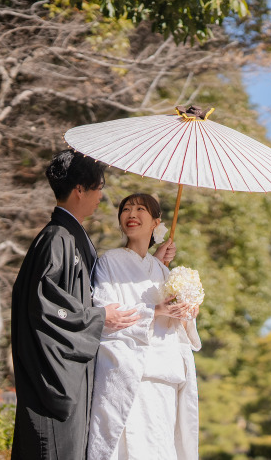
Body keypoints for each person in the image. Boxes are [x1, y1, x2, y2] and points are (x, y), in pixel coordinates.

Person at [11, 150, 142, 460]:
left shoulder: (70, 236)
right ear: (80, 189)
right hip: (54, 382)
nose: (101, 196)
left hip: (73, 375)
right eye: (98, 187)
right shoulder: (57, 238)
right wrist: (98, 317)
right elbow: (42, 308)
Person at [87, 193, 201, 460]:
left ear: (156, 223)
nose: (131, 214)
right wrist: (156, 310)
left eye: (140, 209)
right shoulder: (109, 261)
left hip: (163, 377)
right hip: (128, 375)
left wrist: (187, 311)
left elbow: (175, 326)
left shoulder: (162, 271)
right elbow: (106, 312)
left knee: (159, 447)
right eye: (126, 209)